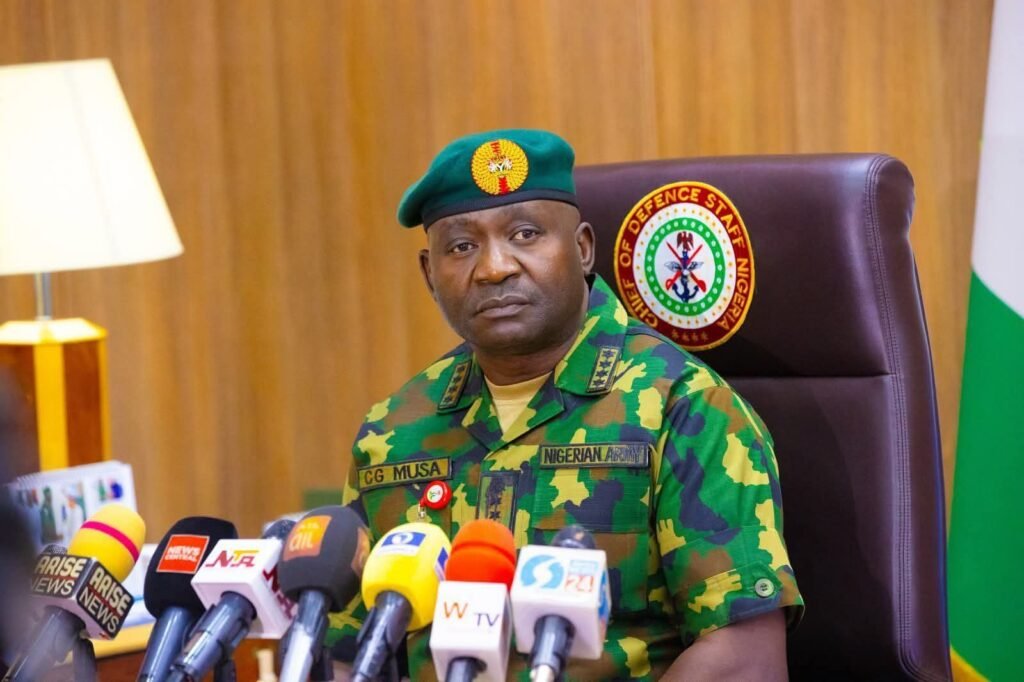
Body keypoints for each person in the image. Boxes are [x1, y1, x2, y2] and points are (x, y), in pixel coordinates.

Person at [329, 129, 803, 680]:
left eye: (525, 234)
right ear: (429, 274)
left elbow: (744, 661)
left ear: (581, 249)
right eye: (461, 247)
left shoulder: (684, 407)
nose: (494, 267)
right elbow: (344, 649)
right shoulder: (392, 430)